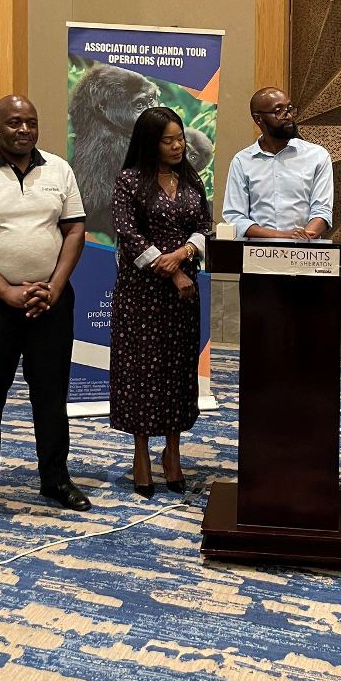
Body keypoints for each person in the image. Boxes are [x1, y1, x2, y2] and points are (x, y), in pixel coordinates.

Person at [0, 95, 89, 526]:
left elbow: (75, 229)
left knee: (51, 393)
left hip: (51, 301)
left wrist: (56, 287)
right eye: (14, 122)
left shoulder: (58, 169)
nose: (24, 129)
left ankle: (55, 478)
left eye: (31, 122)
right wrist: (6, 291)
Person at [110, 107, 212, 496]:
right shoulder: (130, 181)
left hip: (183, 297)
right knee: (140, 372)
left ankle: (173, 452)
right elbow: (128, 234)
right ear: (149, 142)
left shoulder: (191, 178)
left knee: (178, 371)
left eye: (180, 137)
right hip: (141, 294)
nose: (178, 145)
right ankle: (140, 453)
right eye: (168, 140)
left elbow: (204, 226)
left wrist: (184, 253)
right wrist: (172, 270)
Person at [222, 87, 333, 238]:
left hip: (305, 249)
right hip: (257, 250)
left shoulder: (317, 156)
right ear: (258, 119)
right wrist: (284, 237)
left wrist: (302, 239)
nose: (288, 116)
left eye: (289, 109)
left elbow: (322, 211)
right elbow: (235, 217)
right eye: (278, 111)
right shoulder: (242, 161)